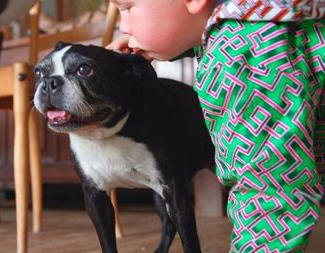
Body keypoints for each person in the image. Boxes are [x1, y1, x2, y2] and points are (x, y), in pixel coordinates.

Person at [107, 0, 325, 252]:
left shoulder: (242, 52)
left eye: (128, 8)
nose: (124, 27)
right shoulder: (266, 24)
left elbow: (268, 185)